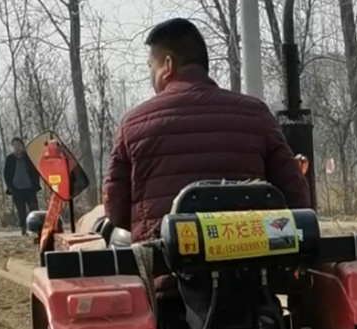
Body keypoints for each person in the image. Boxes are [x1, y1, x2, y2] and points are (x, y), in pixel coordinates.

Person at [103, 18, 311, 243]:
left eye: (150, 66)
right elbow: (296, 197)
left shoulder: (134, 125)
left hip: (167, 273)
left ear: (168, 66)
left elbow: (116, 211)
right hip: (256, 270)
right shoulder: (257, 115)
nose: (150, 75)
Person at [3, 137, 41, 234]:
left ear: (22, 146)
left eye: (18, 145)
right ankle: (23, 229)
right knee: (21, 211)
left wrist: (36, 185)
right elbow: (6, 174)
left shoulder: (28, 158)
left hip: (29, 188)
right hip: (16, 189)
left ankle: (36, 228)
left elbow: (35, 172)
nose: (17, 147)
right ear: (12, 147)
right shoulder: (10, 159)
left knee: (34, 209)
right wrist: (9, 187)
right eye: (15, 145)